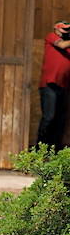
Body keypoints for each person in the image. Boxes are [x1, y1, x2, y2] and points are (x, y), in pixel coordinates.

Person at [38, 21, 70, 151]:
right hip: (49, 85)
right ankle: (39, 150)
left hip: (63, 87)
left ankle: (55, 152)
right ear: (56, 29)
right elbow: (61, 45)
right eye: (64, 29)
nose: (67, 32)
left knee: (60, 120)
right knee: (49, 117)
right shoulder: (52, 37)